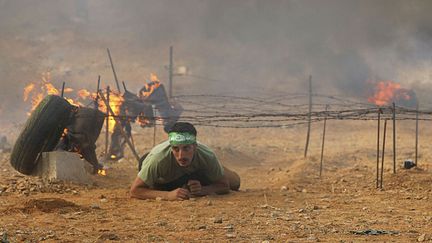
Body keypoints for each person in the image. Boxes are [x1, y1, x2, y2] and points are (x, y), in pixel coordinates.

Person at [130, 122, 240, 201]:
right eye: (176, 149)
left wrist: (203, 190)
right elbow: (135, 190)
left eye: (186, 148)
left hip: (195, 174)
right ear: (171, 147)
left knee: (235, 183)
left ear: (195, 147)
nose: (181, 155)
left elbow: (224, 185)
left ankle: (214, 171)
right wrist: (168, 195)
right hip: (165, 180)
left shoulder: (207, 155)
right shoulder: (158, 159)